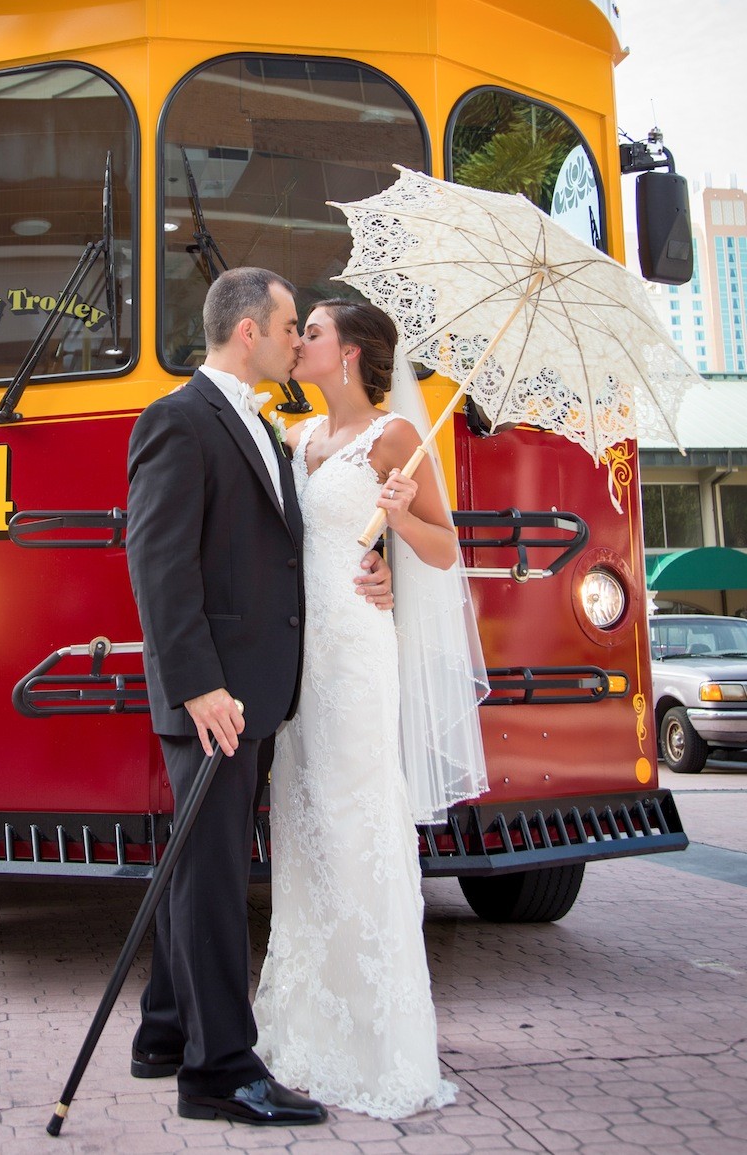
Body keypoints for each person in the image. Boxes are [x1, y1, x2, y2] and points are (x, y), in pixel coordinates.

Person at [125, 268, 394, 1127]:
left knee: (200, 863)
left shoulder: (270, 429)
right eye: (287, 328)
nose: (294, 342)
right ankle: (218, 1074)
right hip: (215, 695)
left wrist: (376, 570)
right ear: (249, 333)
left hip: (260, 689)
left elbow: (282, 555)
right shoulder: (178, 419)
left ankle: (165, 1031)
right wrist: (199, 683)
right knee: (210, 877)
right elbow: (157, 564)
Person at [254, 298, 488, 1120]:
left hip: (355, 654)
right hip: (298, 662)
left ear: (348, 354)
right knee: (306, 829)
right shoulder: (294, 438)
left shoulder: (392, 437)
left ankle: (379, 1043)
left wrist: (395, 517)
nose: (299, 341)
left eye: (310, 332)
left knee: (358, 828)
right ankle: (307, 1031)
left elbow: (445, 544)